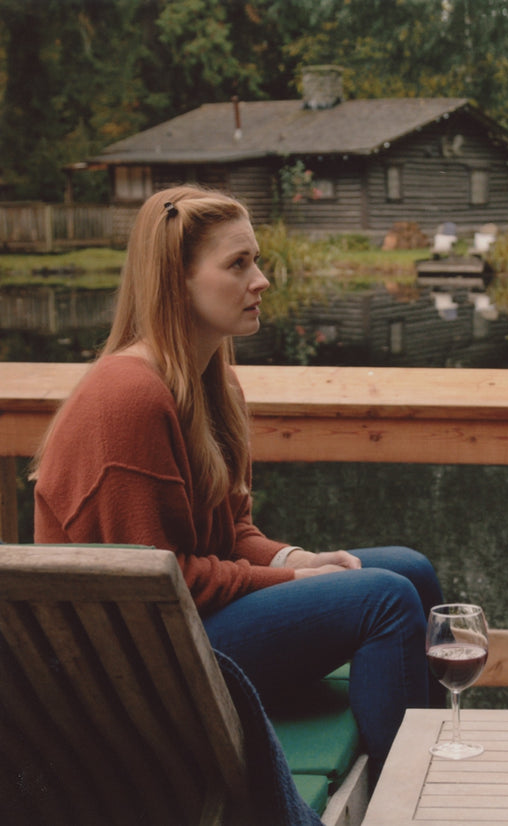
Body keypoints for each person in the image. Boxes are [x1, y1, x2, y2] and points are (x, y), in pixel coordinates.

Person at [33, 185, 443, 782]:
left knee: (411, 571)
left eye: (257, 260)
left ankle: (432, 771)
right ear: (177, 282)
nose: (262, 280)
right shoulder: (127, 396)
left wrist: (294, 559)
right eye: (238, 264)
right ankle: (402, 799)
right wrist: (293, 580)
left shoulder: (212, 382)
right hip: (133, 669)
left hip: (184, 623)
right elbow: (154, 581)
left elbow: (231, 534)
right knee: (383, 599)